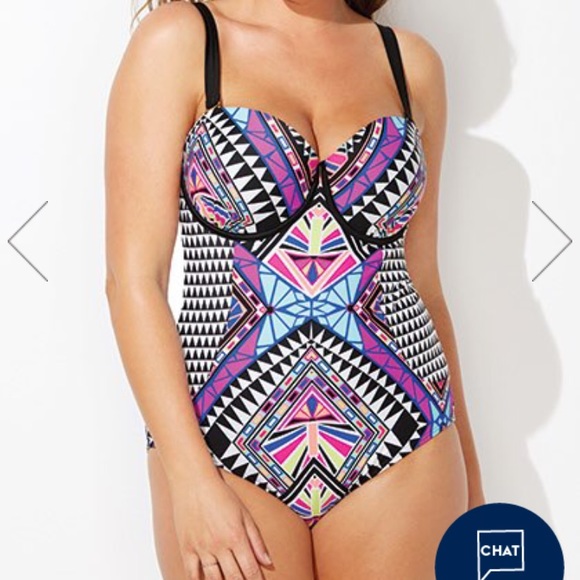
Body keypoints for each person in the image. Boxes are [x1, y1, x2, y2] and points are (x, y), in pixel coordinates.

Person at [105, 0, 485, 578]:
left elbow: (425, 285)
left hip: (407, 435)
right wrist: (190, 480)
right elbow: (133, 279)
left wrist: (473, 484)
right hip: (223, 440)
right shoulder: (183, 40)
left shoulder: (409, 64)